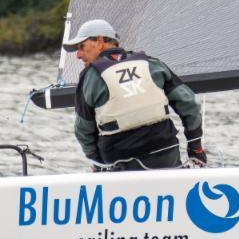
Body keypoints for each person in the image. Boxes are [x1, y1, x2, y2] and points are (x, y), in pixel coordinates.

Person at [65, 19, 206, 171]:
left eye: (81, 46)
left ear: (99, 41)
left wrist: (97, 164)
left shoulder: (89, 76)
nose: (78, 55)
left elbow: (83, 130)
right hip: (165, 154)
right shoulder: (151, 63)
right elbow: (189, 103)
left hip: (119, 163)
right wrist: (195, 146)